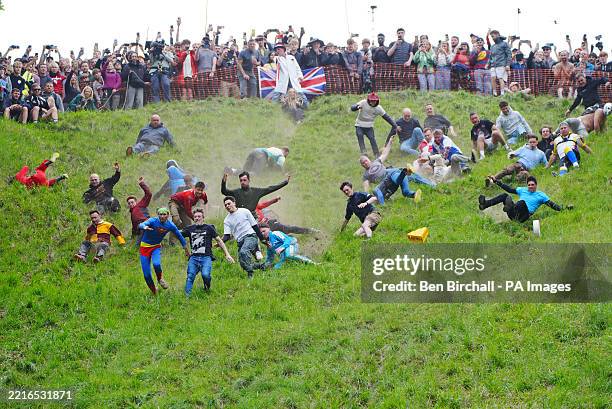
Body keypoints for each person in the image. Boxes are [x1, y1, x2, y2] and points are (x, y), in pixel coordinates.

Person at [181, 208, 234, 295]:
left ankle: (207, 287)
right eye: (195, 217)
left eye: (199, 216)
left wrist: (227, 254)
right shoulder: (189, 229)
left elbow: (219, 241)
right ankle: (187, 297)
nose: (197, 218)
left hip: (206, 258)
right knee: (190, 276)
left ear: (203, 218)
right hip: (193, 258)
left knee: (205, 275)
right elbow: (178, 234)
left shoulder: (209, 228)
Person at [138, 208, 189, 294]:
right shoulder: (153, 221)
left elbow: (179, 236)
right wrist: (144, 226)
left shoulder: (170, 225)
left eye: (164, 214)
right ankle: (154, 291)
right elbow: (141, 224)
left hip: (156, 247)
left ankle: (160, 279)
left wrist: (186, 249)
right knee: (147, 275)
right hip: (144, 248)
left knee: (156, 264)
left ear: (168, 215)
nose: (162, 216)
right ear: (158, 215)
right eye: (160, 214)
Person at [479, 176, 566, 223]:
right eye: (529, 185)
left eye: (532, 185)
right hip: (513, 214)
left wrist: (563, 209)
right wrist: (496, 181)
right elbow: (509, 189)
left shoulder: (541, 195)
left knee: (522, 202)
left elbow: (552, 205)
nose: (530, 186)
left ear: (536, 185)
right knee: (505, 195)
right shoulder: (523, 190)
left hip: (523, 216)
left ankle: (509, 207)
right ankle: (485, 204)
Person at [221, 196, 268, 278]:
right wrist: (219, 242)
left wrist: (262, 239)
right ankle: (262, 266)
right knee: (243, 264)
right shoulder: (227, 220)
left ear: (234, 203)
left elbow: (255, 226)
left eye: (229, 203)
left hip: (250, 236)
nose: (227, 206)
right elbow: (226, 236)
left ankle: (251, 274)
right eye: (225, 205)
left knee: (244, 251)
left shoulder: (244, 211)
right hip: (240, 241)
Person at [221, 171, 289, 218]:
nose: (242, 182)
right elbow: (224, 192)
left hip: (253, 218)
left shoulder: (256, 191)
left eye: (244, 180)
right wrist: (223, 182)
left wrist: (285, 182)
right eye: (241, 180)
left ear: (249, 180)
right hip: (240, 217)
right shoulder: (236, 192)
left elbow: (270, 188)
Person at [351, 92, 398, 157]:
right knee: (360, 135)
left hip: (369, 126)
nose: (373, 102)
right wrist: (357, 107)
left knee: (372, 139)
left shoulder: (379, 108)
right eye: (371, 101)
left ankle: (377, 154)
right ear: (368, 100)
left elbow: (386, 117)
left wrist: (394, 125)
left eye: (374, 101)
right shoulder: (363, 102)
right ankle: (364, 153)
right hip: (359, 125)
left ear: (377, 101)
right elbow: (352, 108)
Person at [127, 176, 152, 245]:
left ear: (136, 202)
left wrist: (142, 183)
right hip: (140, 228)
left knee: (138, 244)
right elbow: (134, 227)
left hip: (147, 223)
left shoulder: (140, 205)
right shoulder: (132, 213)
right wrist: (132, 237)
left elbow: (149, 194)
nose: (131, 204)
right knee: (138, 243)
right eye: (129, 203)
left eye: (132, 202)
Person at [488, 30, 512, 96]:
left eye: (493, 36)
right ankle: (494, 93)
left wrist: (508, 65)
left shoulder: (504, 44)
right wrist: (488, 64)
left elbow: (509, 54)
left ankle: (502, 93)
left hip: (501, 64)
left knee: (500, 78)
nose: (492, 38)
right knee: (493, 78)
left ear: (498, 35)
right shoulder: (492, 46)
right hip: (493, 65)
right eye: (491, 37)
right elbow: (490, 56)